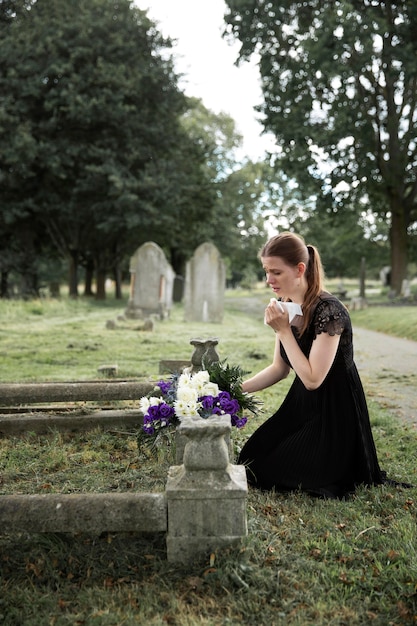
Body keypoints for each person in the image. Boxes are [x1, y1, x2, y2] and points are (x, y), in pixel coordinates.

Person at [238, 232, 391, 499]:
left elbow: (313, 379)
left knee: (272, 472)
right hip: (302, 405)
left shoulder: (330, 311)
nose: (268, 280)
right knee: (251, 458)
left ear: (299, 269)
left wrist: (284, 331)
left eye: (276, 272)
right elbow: (279, 369)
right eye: (266, 271)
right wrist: (235, 392)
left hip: (335, 409)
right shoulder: (285, 304)